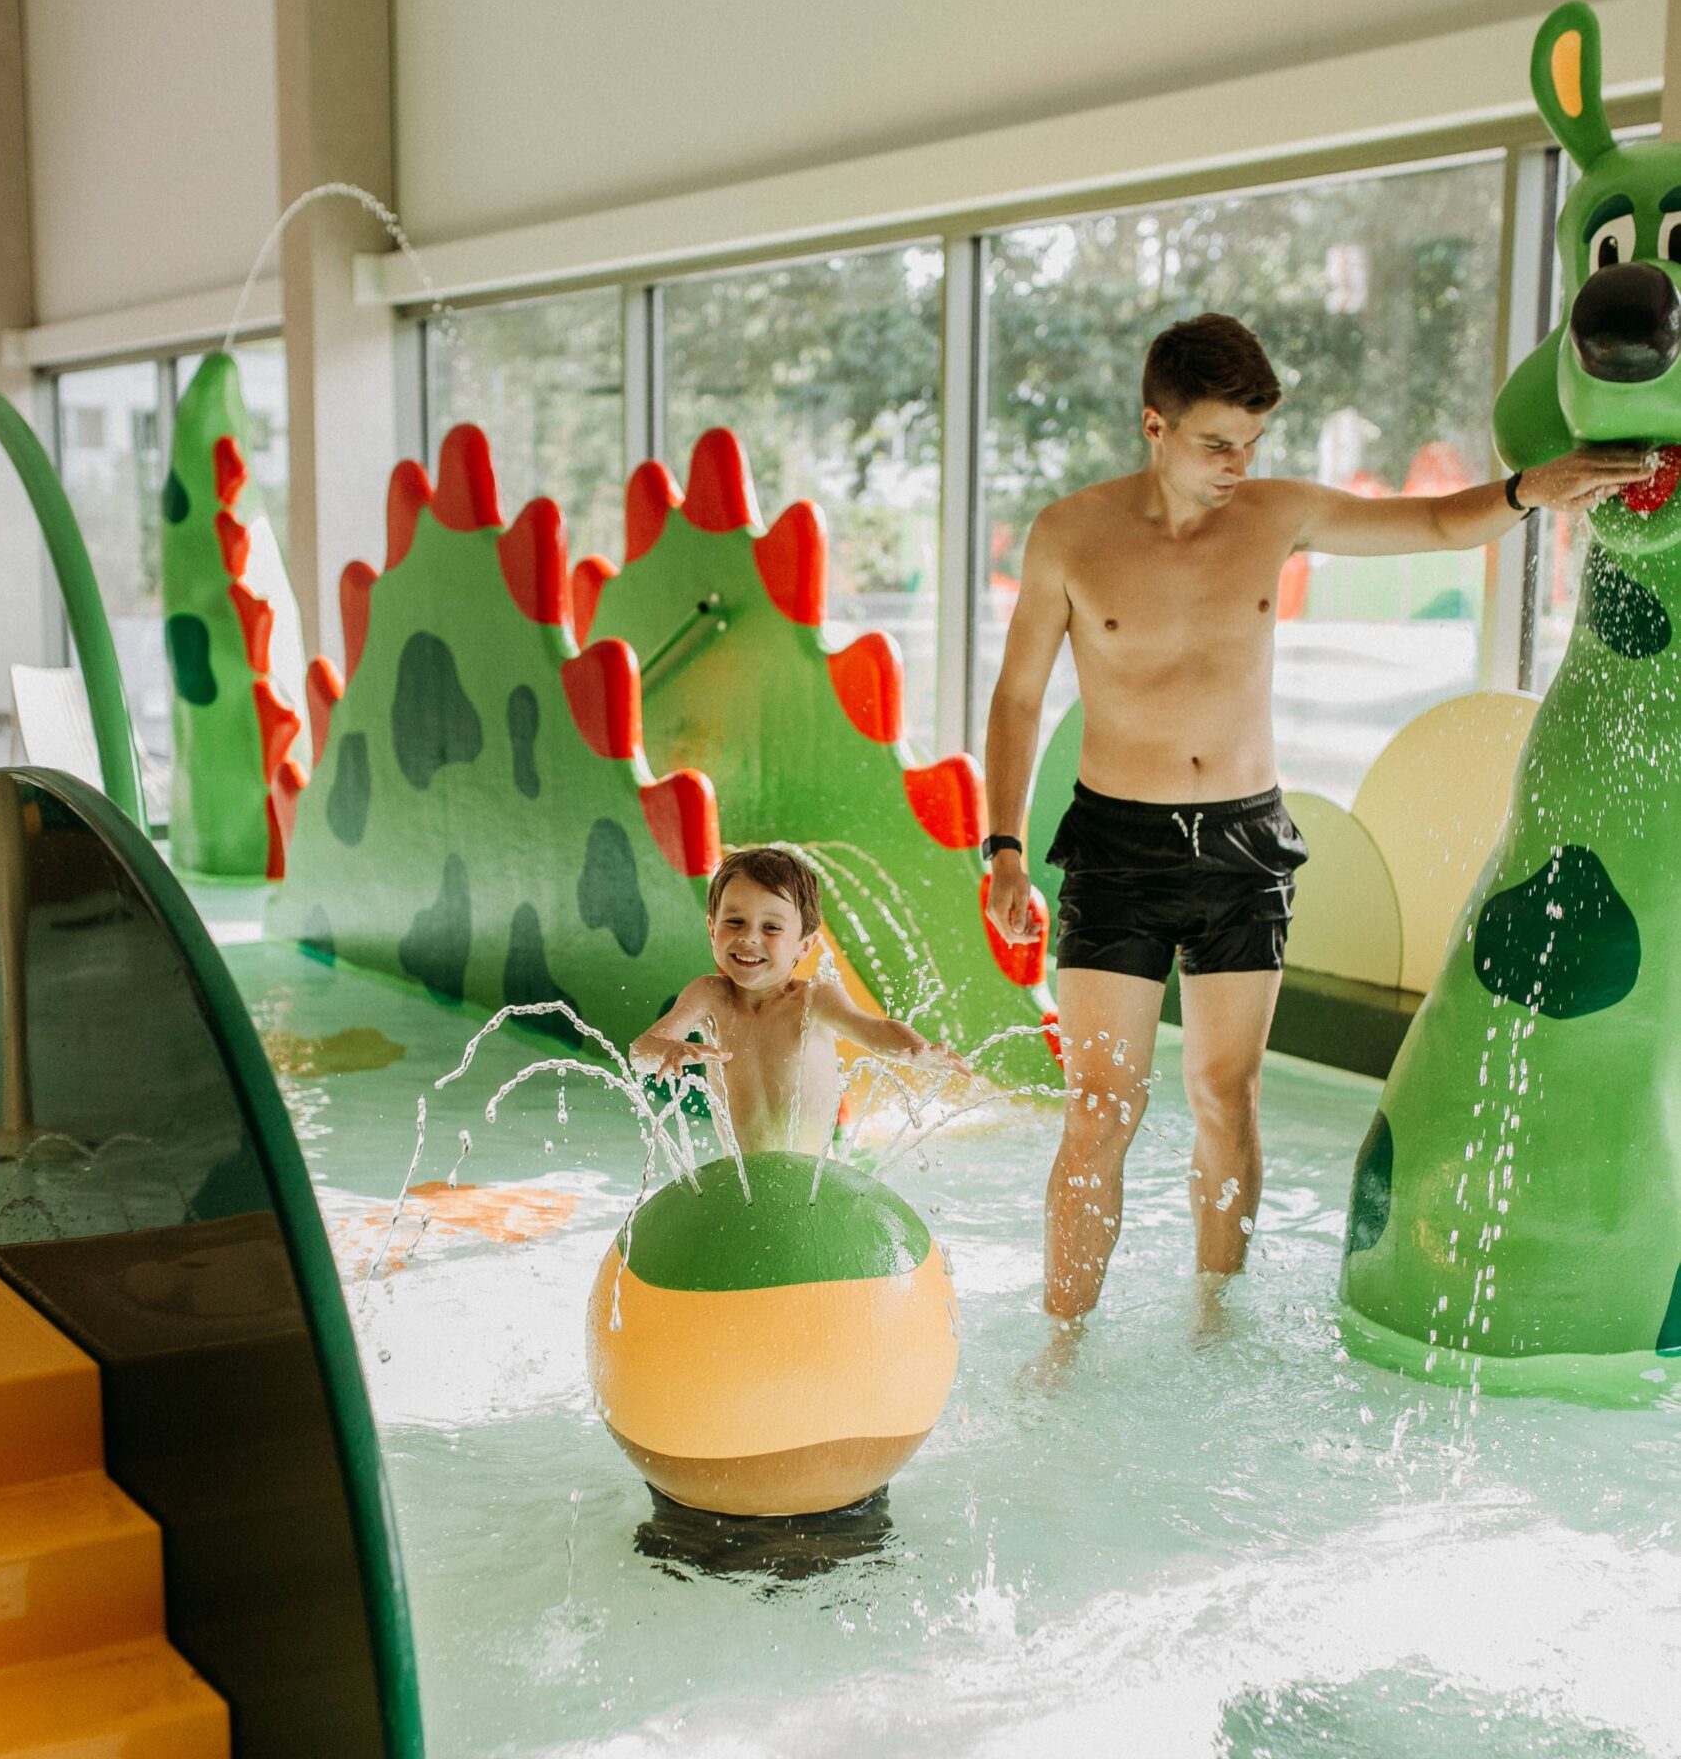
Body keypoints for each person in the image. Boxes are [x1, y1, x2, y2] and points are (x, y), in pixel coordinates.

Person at [982, 311, 1646, 1334]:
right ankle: (1062, 1341)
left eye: (1252, 443)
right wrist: (1004, 849)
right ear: (1155, 426)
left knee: (1227, 1096)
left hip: (1244, 847)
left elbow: (1432, 526)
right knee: (1102, 1107)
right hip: (1118, 849)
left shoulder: (1275, 514)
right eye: (1216, 443)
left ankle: (1216, 1326)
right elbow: (1019, 695)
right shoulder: (1069, 535)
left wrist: (1529, 490)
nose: (1237, 466)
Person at [632, 844, 967, 1153]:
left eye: (771, 928)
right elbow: (640, 1051)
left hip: (811, 1179)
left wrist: (915, 1049)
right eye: (734, 922)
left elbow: (874, 1030)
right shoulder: (710, 996)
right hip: (744, 1178)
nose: (749, 937)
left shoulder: (814, 1000)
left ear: (804, 946)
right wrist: (667, 1050)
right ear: (711, 929)